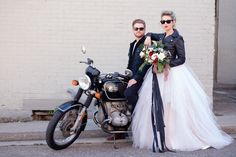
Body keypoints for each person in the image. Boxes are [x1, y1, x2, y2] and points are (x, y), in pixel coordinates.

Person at [132, 10, 233, 151]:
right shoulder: (162, 36)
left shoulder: (177, 38)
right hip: (159, 74)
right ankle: (161, 136)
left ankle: (175, 137)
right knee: (159, 104)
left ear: (173, 22)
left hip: (174, 74)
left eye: (168, 21)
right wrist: (148, 36)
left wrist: (167, 64)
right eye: (163, 21)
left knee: (174, 104)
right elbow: (152, 34)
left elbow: (182, 58)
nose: (165, 24)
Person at [107, 19, 150, 140]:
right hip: (131, 76)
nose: (138, 30)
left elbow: (147, 63)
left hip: (141, 78)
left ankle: (140, 118)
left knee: (129, 93)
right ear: (133, 30)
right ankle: (120, 129)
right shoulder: (133, 44)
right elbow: (131, 63)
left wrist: (136, 78)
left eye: (141, 28)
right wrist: (125, 75)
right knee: (115, 91)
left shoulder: (146, 42)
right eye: (136, 28)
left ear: (144, 30)